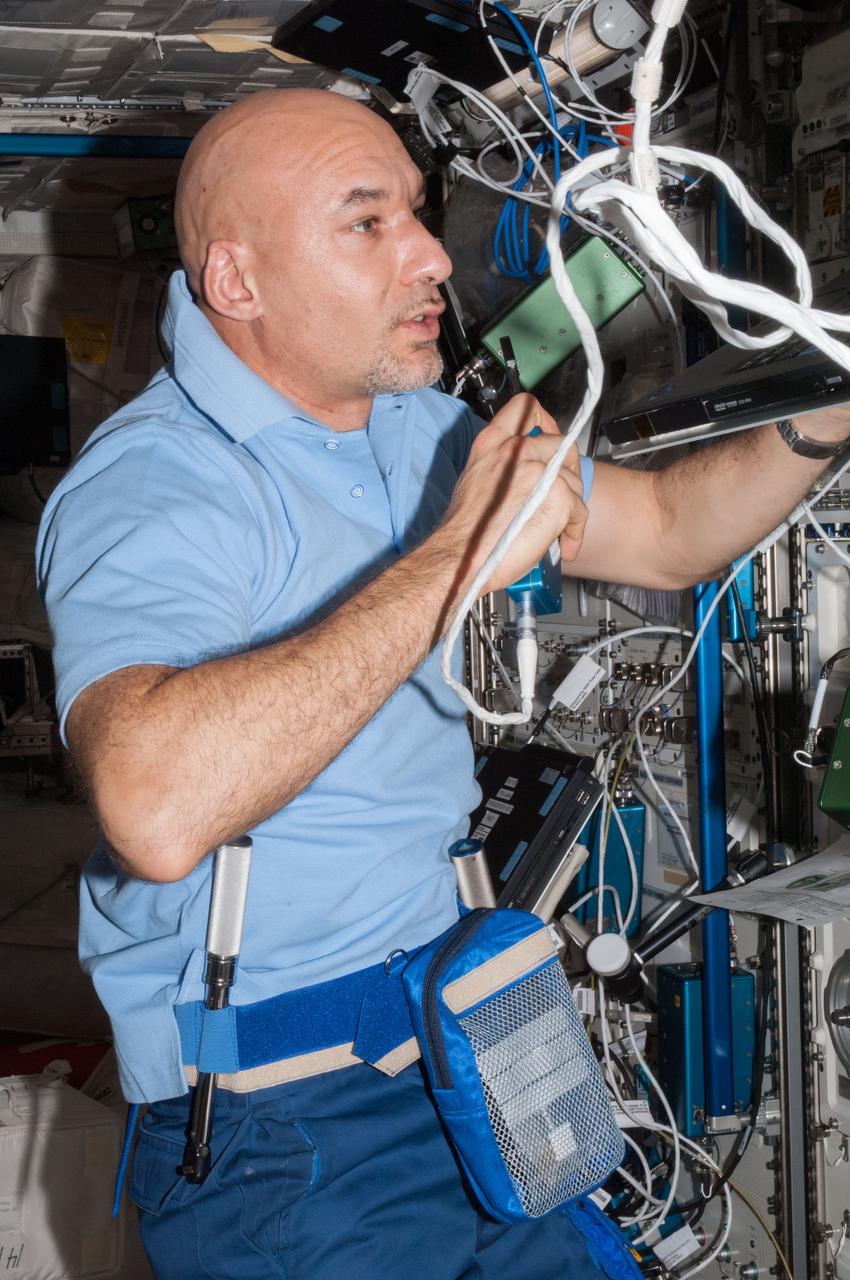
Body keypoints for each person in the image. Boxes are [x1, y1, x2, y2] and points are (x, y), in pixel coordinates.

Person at [36, 87, 849, 1280]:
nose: (428, 255)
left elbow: (671, 527)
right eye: (366, 225)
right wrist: (452, 549)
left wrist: (829, 408)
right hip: (288, 1127)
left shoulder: (411, 429)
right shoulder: (155, 488)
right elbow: (155, 808)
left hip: (472, 1037)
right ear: (237, 281)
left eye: (417, 214)